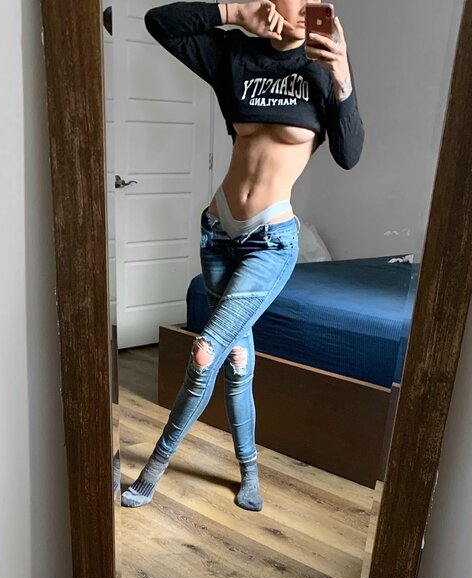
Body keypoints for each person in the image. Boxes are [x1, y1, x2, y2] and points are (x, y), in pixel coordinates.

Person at [121, 0, 365, 510]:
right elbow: (159, 23)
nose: (291, 8)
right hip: (217, 232)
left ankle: (152, 472)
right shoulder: (235, 55)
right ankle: (249, 471)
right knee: (236, 360)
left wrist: (343, 74)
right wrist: (233, 13)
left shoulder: (323, 72)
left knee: (205, 351)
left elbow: (349, 154)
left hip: (270, 242)